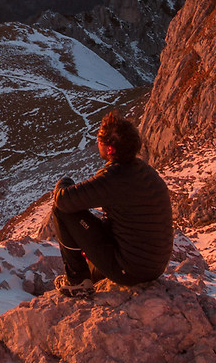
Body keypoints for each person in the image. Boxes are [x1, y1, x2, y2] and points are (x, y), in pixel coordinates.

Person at [50, 113, 173, 298]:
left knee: (61, 211)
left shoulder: (114, 177)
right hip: (152, 267)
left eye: (99, 138)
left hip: (130, 270)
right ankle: (89, 277)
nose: (96, 141)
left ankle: (77, 282)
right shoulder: (145, 171)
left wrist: (64, 182)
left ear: (110, 149)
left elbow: (64, 200)